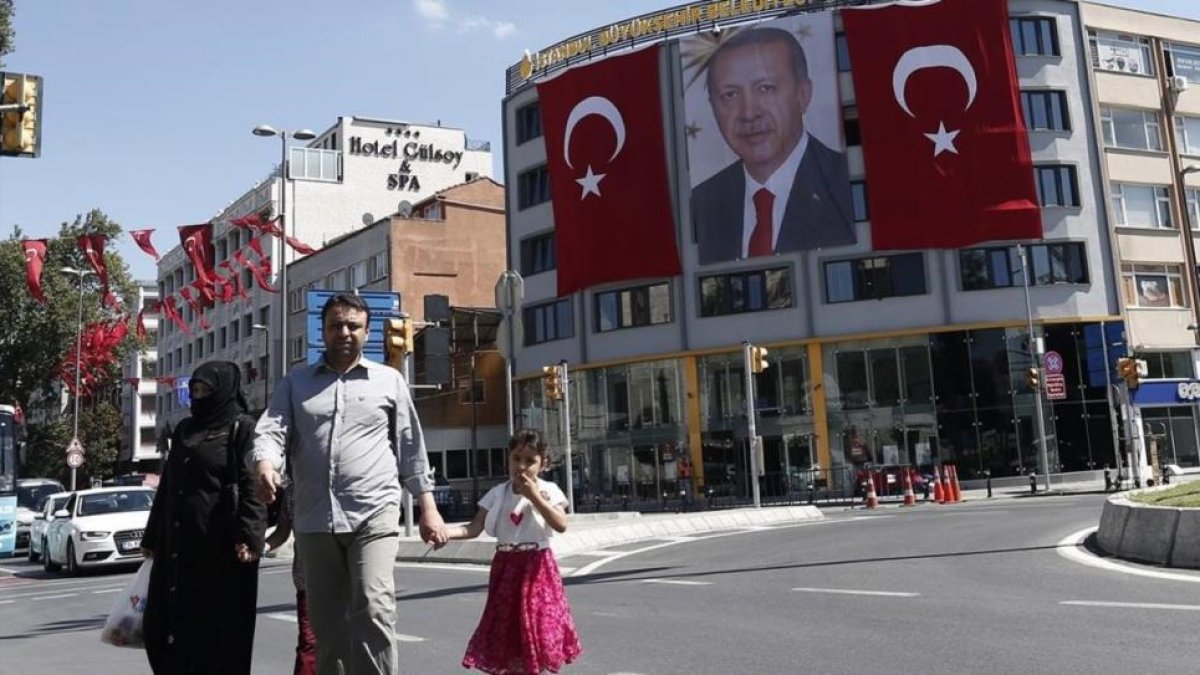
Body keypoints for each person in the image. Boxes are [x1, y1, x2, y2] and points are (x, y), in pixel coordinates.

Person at [252, 292, 447, 675]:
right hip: (314, 520)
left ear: (367, 331)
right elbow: (272, 431)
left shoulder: (389, 381)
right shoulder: (296, 383)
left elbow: (411, 448)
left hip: (373, 514)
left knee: (374, 607)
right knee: (328, 628)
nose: (344, 332)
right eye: (335, 325)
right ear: (322, 331)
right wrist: (264, 465)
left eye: (353, 326)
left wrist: (429, 508)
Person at [142, 361, 267, 674]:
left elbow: (251, 484)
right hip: (177, 547)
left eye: (206, 390)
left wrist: (249, 536)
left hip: (221, 548)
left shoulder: (242, 428)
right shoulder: (186, 429)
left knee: (219, 636)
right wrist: (153, 535)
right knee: (162, 630)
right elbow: (168, 484)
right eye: (194, 390)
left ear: (224, 390)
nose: (199, 397)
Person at [691, 26, 855, 265]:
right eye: (730, 95)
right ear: (713, 106)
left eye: (765, 88)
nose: (749, 113)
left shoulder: (843, 181)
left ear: (803, 95)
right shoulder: (702, 202)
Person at [441, 429, 582, 674]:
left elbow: (560, 523)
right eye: (516, 458)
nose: (522, 466)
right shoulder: (498, 493)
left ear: (543, 464)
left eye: (530, 460)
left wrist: (534, 496)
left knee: (536, 628)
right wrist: (444, 533)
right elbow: (474, 527)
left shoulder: (549, 490)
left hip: (537, 567)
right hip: (506, 567)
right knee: (507, 629)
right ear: (508, 460)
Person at [263, 483, 317, 675]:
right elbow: (282, 532)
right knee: (309, 643)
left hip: (340, 579)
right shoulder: (293, 491)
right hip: (306, 582)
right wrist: (262, 547)